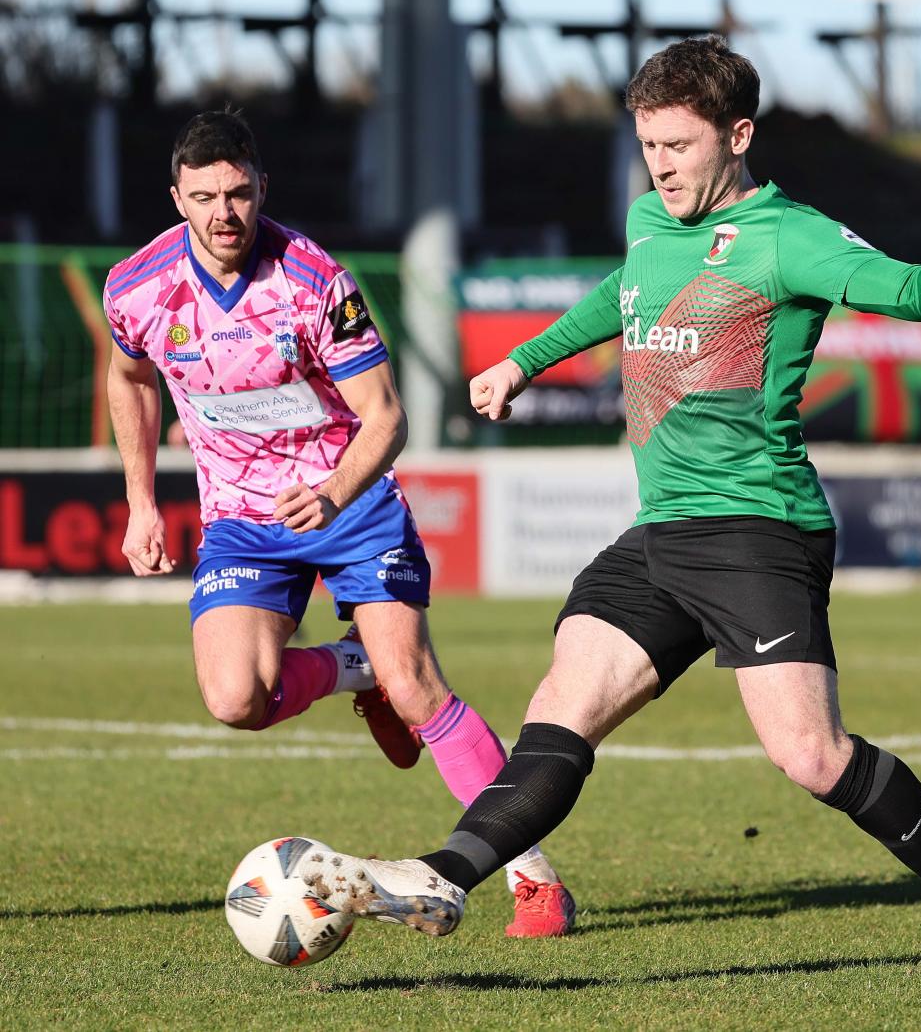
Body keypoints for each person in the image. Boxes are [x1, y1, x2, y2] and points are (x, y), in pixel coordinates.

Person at [298, 38, 921, 984]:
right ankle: (444, 877)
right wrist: (523, 361)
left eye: (679, 145)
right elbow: (621, 295)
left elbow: (904, 287)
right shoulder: (649, 221)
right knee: (560, 709)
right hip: (662, 532)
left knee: (811, 754)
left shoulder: (790, 236)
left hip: (759, 529)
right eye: (649, 144)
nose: (660, 165)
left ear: (737, 136)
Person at [104, 109, 574, 938]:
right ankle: (357, 668)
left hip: (351, 504)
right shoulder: (137, 287)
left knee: (418, 686)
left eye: (238, 193)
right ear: (177, 198)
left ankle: (533, 877)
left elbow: (386, 417)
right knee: (235, 698)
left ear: (261, 188)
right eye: (205, 197)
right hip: (243, 520)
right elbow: (130, 378)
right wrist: (141, 499)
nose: (224, 213)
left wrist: (331, 492)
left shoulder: (316, 280)